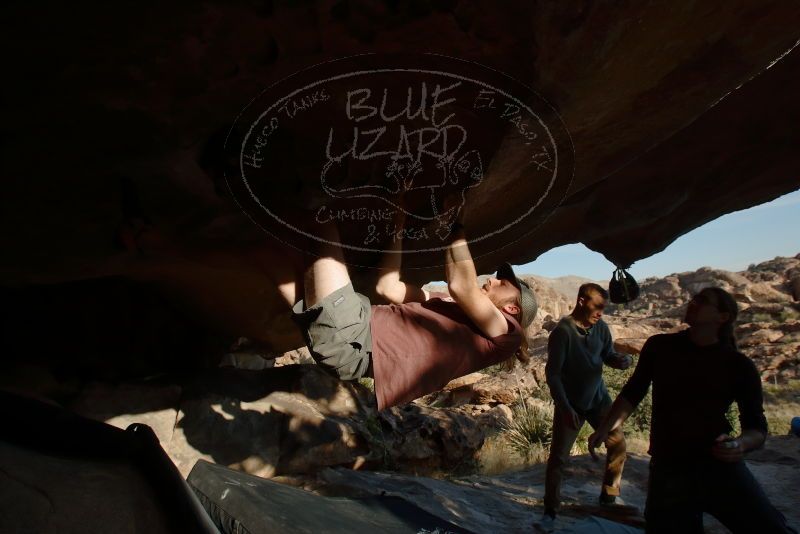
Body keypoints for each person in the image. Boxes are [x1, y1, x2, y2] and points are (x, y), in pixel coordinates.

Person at [286, 205, 538, 411]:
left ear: (513, 310)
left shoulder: (508, 334)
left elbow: (462, 285)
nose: (492, 280)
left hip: (353, 339)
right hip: (355, 322)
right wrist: (399, 224)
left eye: (502, 284)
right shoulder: (447, 306)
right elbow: (389, 287)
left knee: (321, 216)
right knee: (283, 250)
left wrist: (456, 225)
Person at [588, 287, 796, 533]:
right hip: (669, 468)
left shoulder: (739, 365)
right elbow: (633, 392)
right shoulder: (660, 347)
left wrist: (740, 444)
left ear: (722, 317)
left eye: (703, 300)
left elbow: (757, 427)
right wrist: (605, 427)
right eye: (694, 297)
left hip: (717, 467)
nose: (693, 302)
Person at [543, 283, 633, 519]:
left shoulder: (601, 328)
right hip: (571, 404)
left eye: (603, 308)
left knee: (618, 446)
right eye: (597, 307)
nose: (600, 313)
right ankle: (551, 508)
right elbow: (552, 374)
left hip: (599, 399)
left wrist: (620, 361)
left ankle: (609, 497)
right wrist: (564, 408)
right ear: (581, 301)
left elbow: (607, 355)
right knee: (559, 458)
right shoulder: (563, 332)